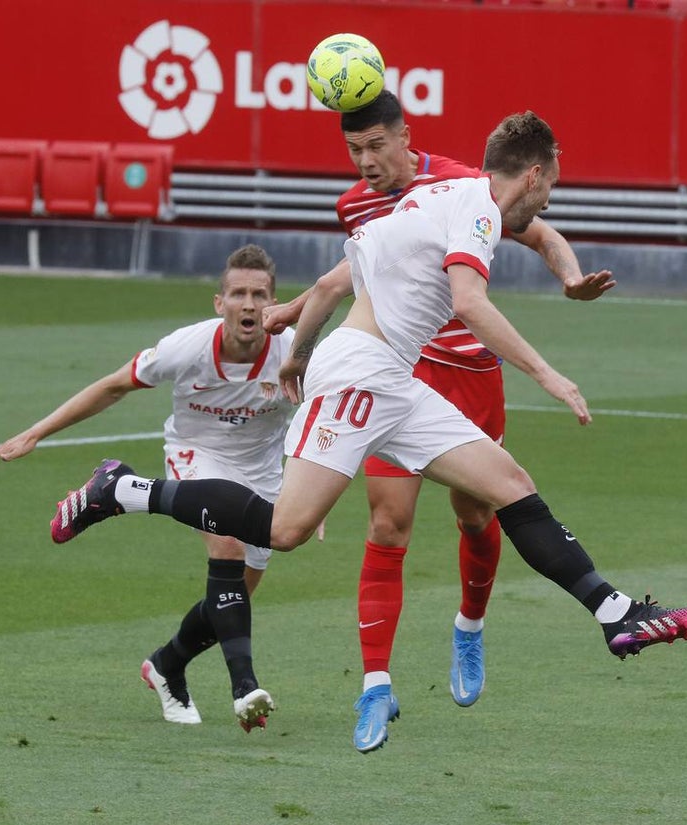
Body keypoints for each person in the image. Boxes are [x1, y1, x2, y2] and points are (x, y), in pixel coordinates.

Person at [48, 112, 687, 749]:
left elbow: (345, 276)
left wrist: (298, 337)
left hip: (391, 377)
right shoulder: (475, 207)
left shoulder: (449, 193)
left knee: (509, 483)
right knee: (286, 528)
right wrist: (548, 374)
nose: (549, 197)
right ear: (536, 174)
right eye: (554, 184)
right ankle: (122, 488)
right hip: (362, 373)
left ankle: (616, 612)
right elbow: (469, 303)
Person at [262, 91, 616, 752]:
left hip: (472, 371)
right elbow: (350, 275)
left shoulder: (462, 181)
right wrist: (297, 323)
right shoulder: (354, 206)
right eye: (354, 151)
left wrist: (568, 278)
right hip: (395, 370)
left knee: (479, 515)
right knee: (387, 522)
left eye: (376, 147)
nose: (366, 163)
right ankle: (374, 683)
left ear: (404, 138)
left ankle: (470, 627)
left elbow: (539, 231)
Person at [0, 244, 293, 731]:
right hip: (195, 454)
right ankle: (244, 686)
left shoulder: (294, 350)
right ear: (218, 302)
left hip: (262, 471)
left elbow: (323, 414)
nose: (248, 305)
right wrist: (36, 432)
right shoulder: (186, 347)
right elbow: (112, 386)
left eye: (259, 295)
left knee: (235, 596)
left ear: (275, 304)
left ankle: (167, 665)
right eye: (237, 294)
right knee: (226, 548)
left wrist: (312, 495)